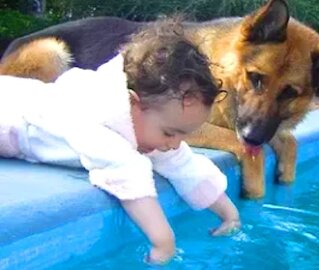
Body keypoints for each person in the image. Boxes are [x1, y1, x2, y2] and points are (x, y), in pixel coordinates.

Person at [0, 19, 240, 264]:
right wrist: (163, 241)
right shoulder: (96, 116)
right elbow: (126, 170)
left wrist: (230, 214)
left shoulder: (147, 119)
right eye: (170, 133)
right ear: (134, 104)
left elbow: (184, 164)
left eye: (182, 135)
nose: (175, 144)